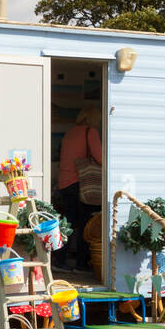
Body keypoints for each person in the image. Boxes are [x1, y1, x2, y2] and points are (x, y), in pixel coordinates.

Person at [54, 106, 102, 272]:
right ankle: (82, 264)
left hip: (64, 183)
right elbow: (101, 158)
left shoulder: (70, 133)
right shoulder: (91, 132)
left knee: (68, 223)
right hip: (81, 183)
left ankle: (59, 261)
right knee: (85, 224)